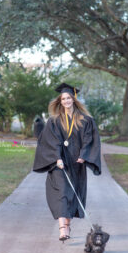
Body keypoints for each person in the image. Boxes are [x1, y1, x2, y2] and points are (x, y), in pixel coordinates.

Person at [33, 83, 101, 242]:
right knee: (63, 192)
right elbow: (51, 141)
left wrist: (84, 156)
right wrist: (57, 158)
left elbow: (89, 140)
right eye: (63, 98)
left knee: (72, 195)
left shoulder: (85, 120)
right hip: (60, 162)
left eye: (68, 98)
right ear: (60, 101)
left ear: (74, 99)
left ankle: (68, 226)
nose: (66, 101)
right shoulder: (54, 121)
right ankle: (63, 229)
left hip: (77, 163)